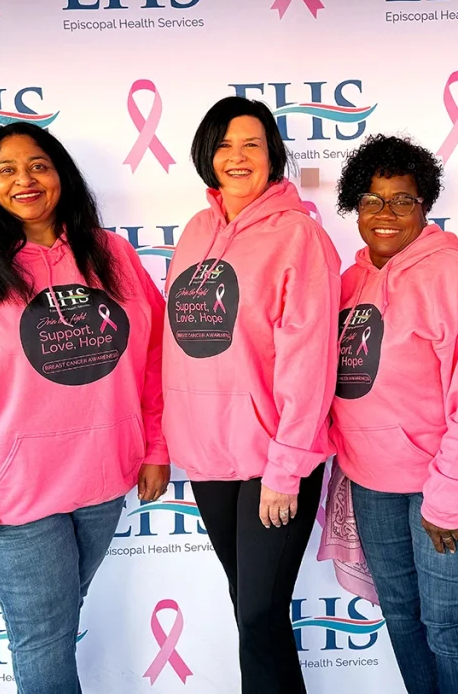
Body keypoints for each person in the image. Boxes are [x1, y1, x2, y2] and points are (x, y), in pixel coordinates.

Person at [0, 123, 168, 694]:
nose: (26, 179)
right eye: (7, 169)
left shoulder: (111, 253)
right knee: (43, 637)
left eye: (38, 165)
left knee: (57, 624)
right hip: (9, 495)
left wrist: (156, 447)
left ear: (60, 174)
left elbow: (156, 357)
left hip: (102, 479)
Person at [327, 134, 458, 694]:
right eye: (372, 200)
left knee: (449, 626)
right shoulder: (351, 282)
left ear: (426, 206)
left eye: (402, 200)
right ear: (354, 205)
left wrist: (445, 502)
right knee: (400, 614)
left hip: (457, 484)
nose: (385, 213)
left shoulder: (453, 277)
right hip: (374, 480)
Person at [160, 96, 341, 694]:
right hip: (210, 459)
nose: (237, 157)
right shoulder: (195, 230)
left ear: (273, 156)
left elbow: (309, 360)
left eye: (252, 145)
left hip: (274, 460)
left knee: (260, 615)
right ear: (206, 155)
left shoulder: (298, 236)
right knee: (251, 615)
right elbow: (179, 343)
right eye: (224, 145)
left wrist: (286, 468)